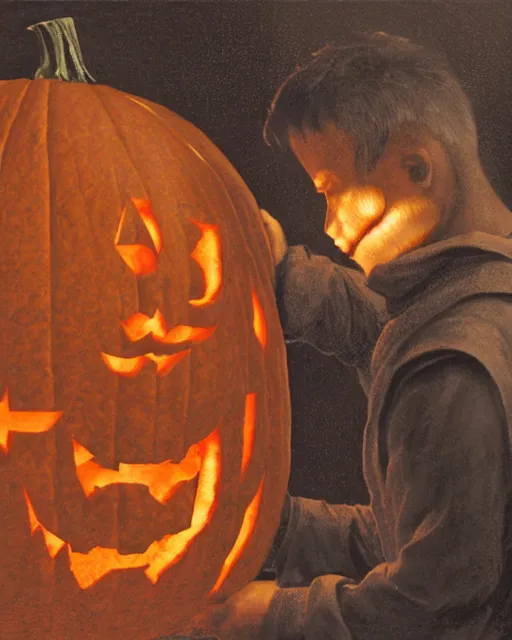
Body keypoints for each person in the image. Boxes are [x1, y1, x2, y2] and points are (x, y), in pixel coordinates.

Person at [177, 31, 512, 640]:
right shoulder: (486, 287)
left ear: (416, 168)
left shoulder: (453, 372)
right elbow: (381, 328)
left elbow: (428, 604)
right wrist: (280, 273)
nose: (329, 225)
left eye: (331, 191)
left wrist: (268, 615)